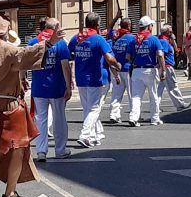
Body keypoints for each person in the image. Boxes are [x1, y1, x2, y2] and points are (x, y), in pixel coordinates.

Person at [0, 11, 62, 197]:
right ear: (2, 30)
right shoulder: (8, 50)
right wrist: (50, 43)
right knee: (18, 149)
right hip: (9, 106)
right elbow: (25, 55)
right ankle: (9, 193)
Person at [70, 12, 120, 148]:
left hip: (81, 78)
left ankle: (94, 135)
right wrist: (117, 66)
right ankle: (85, 135)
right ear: (97, 25)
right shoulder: (98, 39)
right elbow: (109, 58)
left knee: (88, 108)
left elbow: (70, 54)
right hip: (96, 79)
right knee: (94, 108)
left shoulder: (76, 38)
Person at [29, 18, 72, 161]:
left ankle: (41, 151)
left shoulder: (34, 42)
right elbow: (65, 66)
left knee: (41, 119)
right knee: (59, 119)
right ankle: (60, 150)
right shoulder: (61, 43)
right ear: (56, 28)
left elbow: (25, 62)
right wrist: (69, 85)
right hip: (56, 87)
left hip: (39, 87)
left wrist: (22, 79)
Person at [127, 16, 165, 126]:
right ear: (148, 27)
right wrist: (162, 69)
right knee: (153, 95)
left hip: (136, 70)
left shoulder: (133, 40)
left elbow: (128, 56)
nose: (152, 27)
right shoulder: (153, 39)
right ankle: (155, 118)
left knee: (136, 96)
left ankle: (133, 117)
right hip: (150, 69)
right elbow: (160, 55)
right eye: (151, 25)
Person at [105, 18, 134, 124]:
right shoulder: (132, 38)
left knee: (116, 94)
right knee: (132, 93)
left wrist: (116, 17)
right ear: (129, 26)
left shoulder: (115, 37)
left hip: (116, 68)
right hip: (128, 68)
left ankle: (114, 114)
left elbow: (109, 28)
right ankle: (133, 115)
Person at [157, 24, 191, 113]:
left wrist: (173, 39)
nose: (172, 31)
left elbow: (176, 50)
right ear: (167, 31)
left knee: (159, 89)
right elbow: (161, 55)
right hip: (167, 67)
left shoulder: (166, 40)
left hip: (164, 66)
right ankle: (180, 104)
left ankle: (156, 106)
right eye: (171, 30)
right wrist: (163, 69)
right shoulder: (163, 41)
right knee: (173, 86)